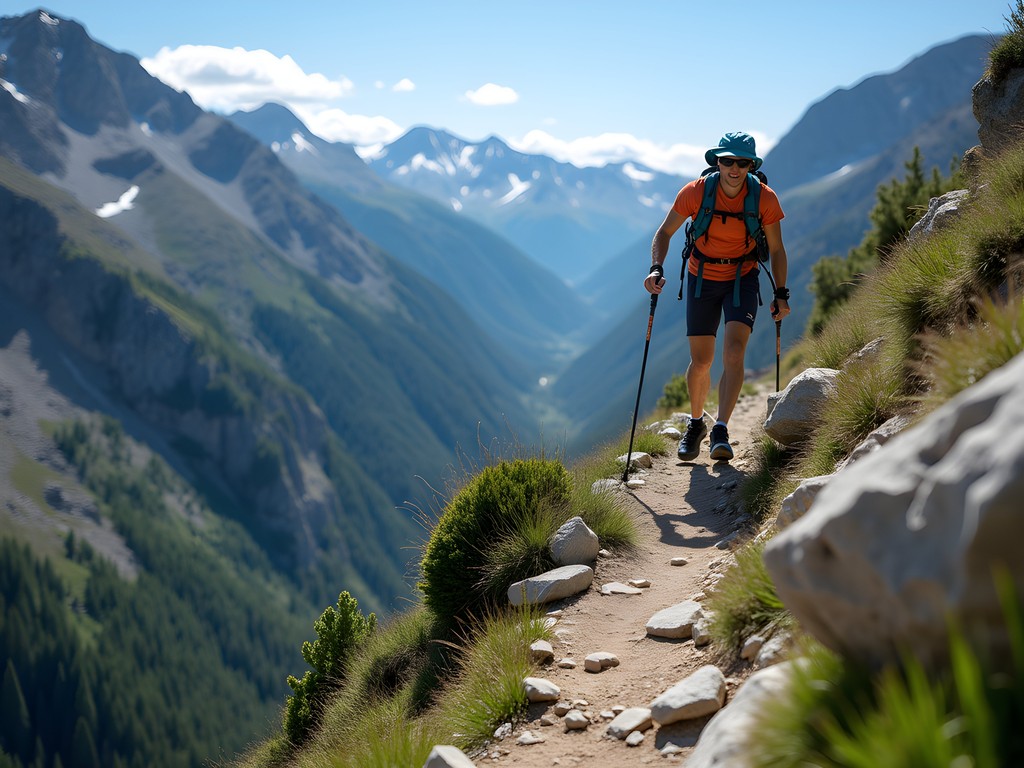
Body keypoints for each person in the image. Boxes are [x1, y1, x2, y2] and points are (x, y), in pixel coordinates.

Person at [644, 131, 790, 462]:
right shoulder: (695, 193)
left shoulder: (765, 199)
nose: (734, 169)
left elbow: (778, 250)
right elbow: (664, 232)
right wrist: (656, 268)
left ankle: (721, 427)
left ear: (751, 166)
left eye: (742, 163)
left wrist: (781, 293)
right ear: (717, 162)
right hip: (701, 279)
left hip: (742, 279)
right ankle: (696, 424)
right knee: (701, 361)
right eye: (727, 161)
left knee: (735, 354)